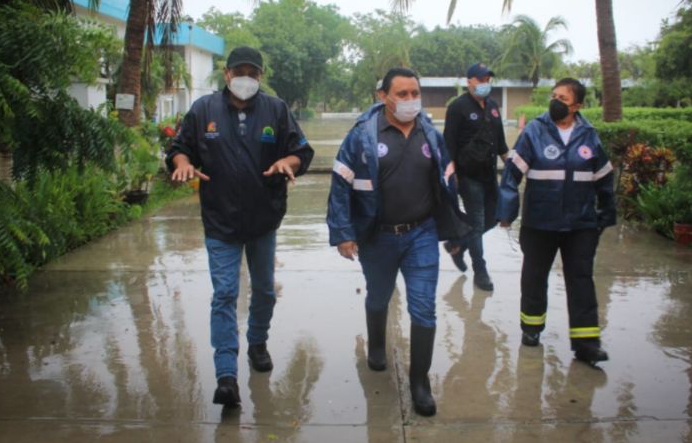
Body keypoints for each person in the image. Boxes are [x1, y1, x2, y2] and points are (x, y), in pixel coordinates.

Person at [167, 46, 314, 408]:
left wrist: (286, 161)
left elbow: (301, 150)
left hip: (263, 219)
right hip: (220, 221)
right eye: (240, 71)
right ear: (227, 74)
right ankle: (226, 375)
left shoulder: (276, 110)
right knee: (225, 294)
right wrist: (183, 163)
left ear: (260, 77)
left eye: (253, 72)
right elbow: (178, 147)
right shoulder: (204, 110)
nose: (246, 77)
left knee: (263, 291)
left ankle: (257, 341)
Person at [326, 67, 468, 417]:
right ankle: (376, 345)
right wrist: (343, 233)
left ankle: (419, 382)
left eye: (414, 93)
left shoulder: (431, 136)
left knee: (424, 308)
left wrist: (454, 233)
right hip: (378, 237)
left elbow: (449, 187)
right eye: (401, 94)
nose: (409, 100)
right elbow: (340, 184)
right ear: (383, 96)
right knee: (378, 296)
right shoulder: (361, 136)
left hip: (421, 233)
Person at [496, 77, 615, 365]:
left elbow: (604, 178)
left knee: (581, 280)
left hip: (581, 224)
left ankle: (587, 343)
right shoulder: (534, 132)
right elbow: (512, 175)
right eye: (554, 96)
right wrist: (507, 212)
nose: (555, 102)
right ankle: (532, 329)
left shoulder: (589, 135)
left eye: (562, 98)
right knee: (534, 276)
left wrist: (605, 214)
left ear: (577, 105)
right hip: (540, 222)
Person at [443, 63, 509, 291]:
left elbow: (500, 141)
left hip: (489, 175)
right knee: (478, 221)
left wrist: (512, 167)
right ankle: (480, 271)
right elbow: (448, 143)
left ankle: (458, 243)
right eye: (480, 79)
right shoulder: (458, 107)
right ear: (469, 81)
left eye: (487, 79)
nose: (484, 84)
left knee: (495, 217)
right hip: (468, 176)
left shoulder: (492, 106)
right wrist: (452, 176)